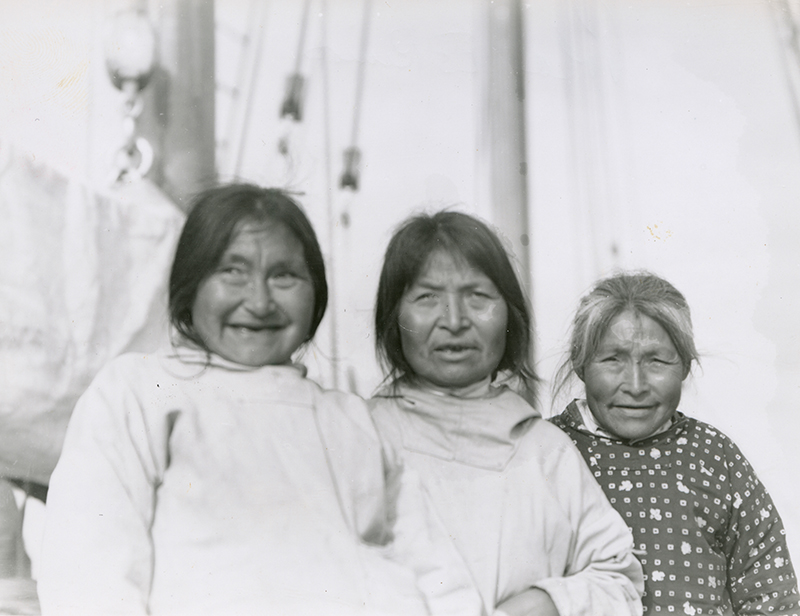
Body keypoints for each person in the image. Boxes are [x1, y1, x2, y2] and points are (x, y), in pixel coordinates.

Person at [38, 185, 485, 616]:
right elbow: (89, 560)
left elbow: (435, 570)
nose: (259, 301)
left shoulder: (351, 418)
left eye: (284, 275)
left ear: (316, 294)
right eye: (232, 271)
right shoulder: (138, 391)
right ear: (189, 287)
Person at [370, 210, 645, 616]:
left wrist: (549, 603)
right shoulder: (359, 437)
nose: (454, 320)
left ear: (509, 316)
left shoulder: (545, 451)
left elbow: (618, 579)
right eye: (427, 296)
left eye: (477, 297)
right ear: (395, 318)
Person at [549, 271, 800, 615]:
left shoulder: (714, 456)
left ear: (684, 365)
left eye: (656, 360)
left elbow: (772, 593)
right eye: (613, 359)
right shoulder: (545, 453)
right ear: (581, 364)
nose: (635, 385)